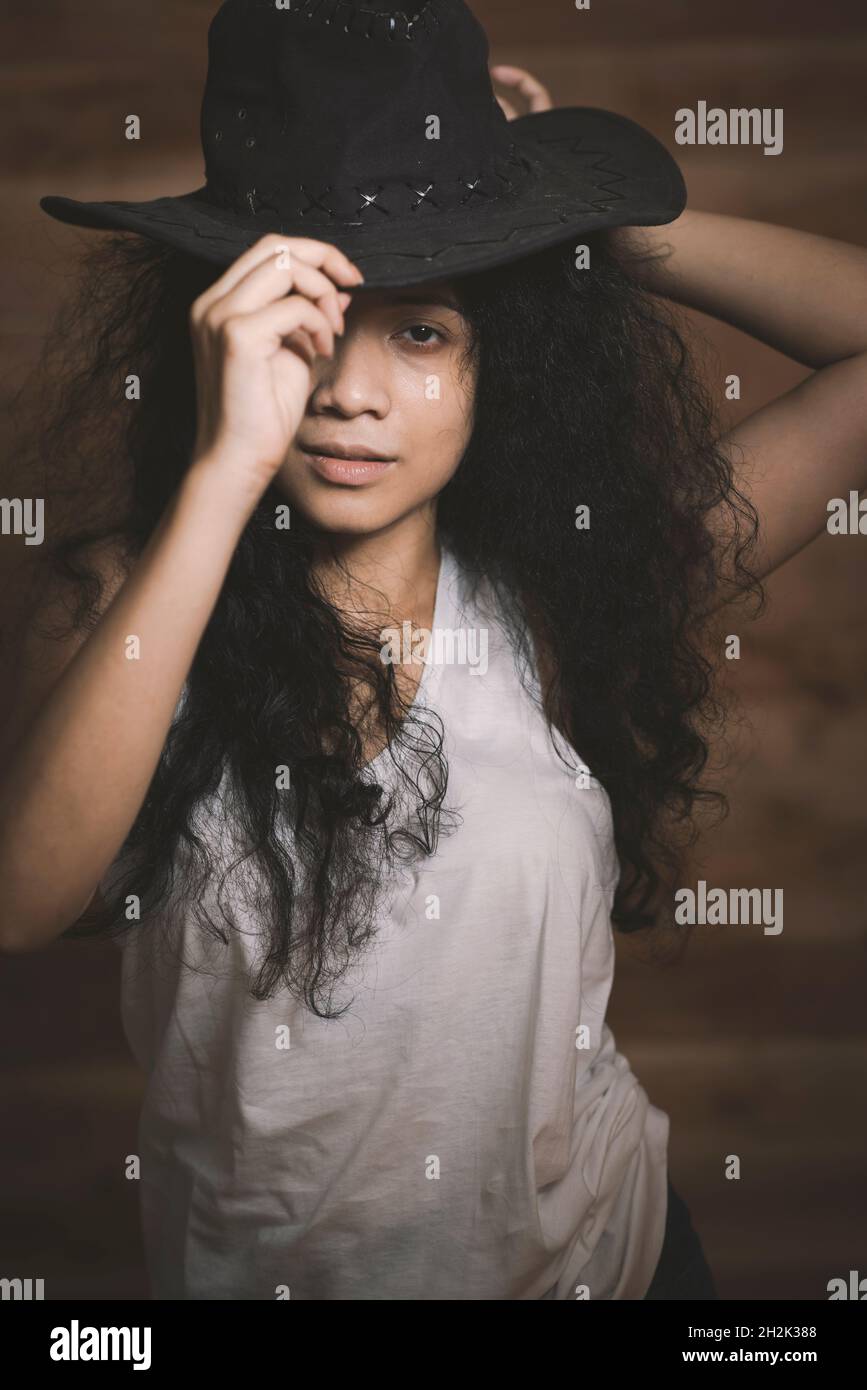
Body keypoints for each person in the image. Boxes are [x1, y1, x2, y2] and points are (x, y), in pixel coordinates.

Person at [3, 0, 866, 1300]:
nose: (351, 389)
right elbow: (21, 899)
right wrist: (227, 469)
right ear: (221, 329)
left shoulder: (563, 593)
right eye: (308, 321)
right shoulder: (124, 595)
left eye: (422, 329)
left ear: (498, 359)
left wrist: (592, 227)